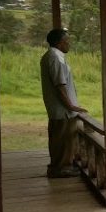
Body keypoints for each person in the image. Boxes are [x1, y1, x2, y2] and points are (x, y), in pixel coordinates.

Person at [40, 29, 87, 178]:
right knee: (64, 139)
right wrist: (71, 106)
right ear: (59, 43)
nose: (69, 44)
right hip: (63, 110)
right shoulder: (56, 58)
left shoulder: (50, 56)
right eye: (67, 41)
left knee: (58, 139)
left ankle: (58, 167)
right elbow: (60, 86)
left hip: (58, 109)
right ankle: (61, 168)